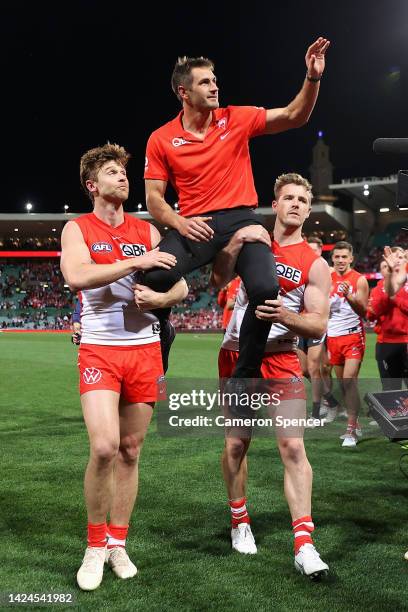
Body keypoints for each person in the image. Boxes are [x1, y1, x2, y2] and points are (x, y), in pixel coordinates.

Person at [143, 38, 330, 381]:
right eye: (205, 81)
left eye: (214, 79)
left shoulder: (237, 118)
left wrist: (312, 77)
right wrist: (180, 223)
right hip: (196, 224)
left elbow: (294, 115)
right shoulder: (161, 138)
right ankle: (162, 333)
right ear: (184, 92)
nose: (215, 86)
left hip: (243, 217)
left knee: (263, 288)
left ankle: (244, 376)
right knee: (154, 275)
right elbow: (154, 198)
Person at [60, 143, 188, 591]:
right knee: (103, 448)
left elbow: (182, 285)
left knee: (131, 450)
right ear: (93, 185)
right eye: (113, 172)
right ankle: (94, 546)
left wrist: (161, 298)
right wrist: (134, 262)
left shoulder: (149, 230)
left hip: (144, 350)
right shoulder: (77, 229)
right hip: (99, 348)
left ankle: (118, 543)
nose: (123, 178)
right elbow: (76, 276)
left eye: (124, 172)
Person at [212, 173, 331, 578]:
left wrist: (286, 316)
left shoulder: (315, 264)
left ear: (308, 209)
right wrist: (230, 246)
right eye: (288, 198)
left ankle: (304, 544)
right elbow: (217, 280)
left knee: (293, 448)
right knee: (235, 447)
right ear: (275, 204)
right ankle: (239, 520)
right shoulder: (252, 242)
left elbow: (317, 326)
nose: (295, 204)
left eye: (302, 199)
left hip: (281, 361)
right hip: (237, 356)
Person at [327, 241, 369, 447]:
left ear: (351, 258)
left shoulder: (359, 280)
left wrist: (348, 296)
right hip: (333, 337)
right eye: (337, 257)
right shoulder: (326, 279)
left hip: (353, 336)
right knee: (343, 385)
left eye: (345, 257)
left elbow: (364, 312)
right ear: (332, 258)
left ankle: (351, 429)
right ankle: (356, 421)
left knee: (349, 380)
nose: (341, 260)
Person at [367, 249, 408, 390]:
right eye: (395, 257)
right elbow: (373, 313)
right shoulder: (379, 288)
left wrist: (394, 299)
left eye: (401, 257)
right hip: (386, 342)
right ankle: (394, 411)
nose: (397, 260)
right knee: (391, 388)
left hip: (406, 341)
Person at [296, 237, 327, 419]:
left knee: (314, 367)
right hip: (300, 323)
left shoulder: (325, 272)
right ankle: (330, 399)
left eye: (314, 250)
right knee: (304, 370)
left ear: (320, 251)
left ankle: (316, 414)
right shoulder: (301, 271)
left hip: (316, 324)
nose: (311, 254)